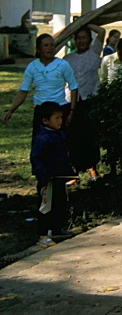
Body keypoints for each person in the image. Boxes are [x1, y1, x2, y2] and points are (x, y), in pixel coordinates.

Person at [4, 33, 78, 134]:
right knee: (40, 144)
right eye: (46, 46)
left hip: (59, 108)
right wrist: (11, 110)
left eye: (52, 45)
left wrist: (72, 111)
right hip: (41, 110)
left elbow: (73, 87)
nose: (50, 48)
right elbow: (23, 90)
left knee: (60, 144)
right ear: (39, 49)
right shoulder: (33, 67)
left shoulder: (62, 65)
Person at [30, 101, 75, 247]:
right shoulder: (42, 138)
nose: (60, 121)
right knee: (45, 207)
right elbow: (36, 158)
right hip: (47, 179)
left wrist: (69, 172)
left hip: (59, 178)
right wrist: (43, 174)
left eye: (61, 118)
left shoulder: (59, 135)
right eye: (56, 118)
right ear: (45, 120)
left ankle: (56, 228)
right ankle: (43, 234)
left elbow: (63, 156)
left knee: (60, 203)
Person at [64, 24, 104, 180]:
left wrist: (85, 22)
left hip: (89, 99)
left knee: (89, 135)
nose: (81, 41)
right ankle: (73, 170)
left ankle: (92, 168)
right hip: (70, 101)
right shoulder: (68, 59)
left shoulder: (94, 53)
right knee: (72, 137)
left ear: (89, 39)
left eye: (84, 37)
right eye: (78, 38)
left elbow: (101, 31)